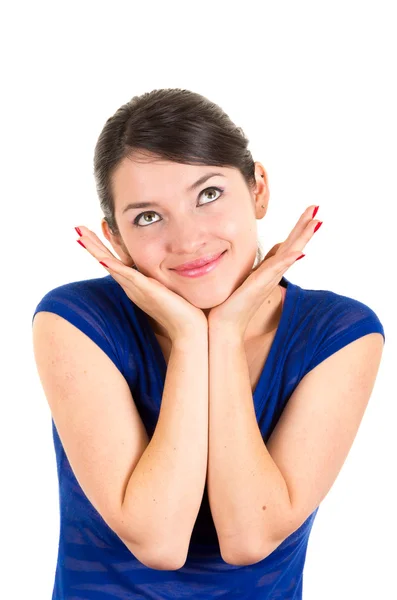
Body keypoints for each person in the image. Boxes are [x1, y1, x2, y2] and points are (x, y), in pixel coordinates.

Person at [31, 88, 385, 599]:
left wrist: (221, 333)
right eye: (148, 217)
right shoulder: (77, 320)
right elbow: (158, 540)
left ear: (258, 188)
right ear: (115, 238)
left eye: (208, 194)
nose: (188, 239)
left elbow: (250, 537)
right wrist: (193, 336)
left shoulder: (338, 333)